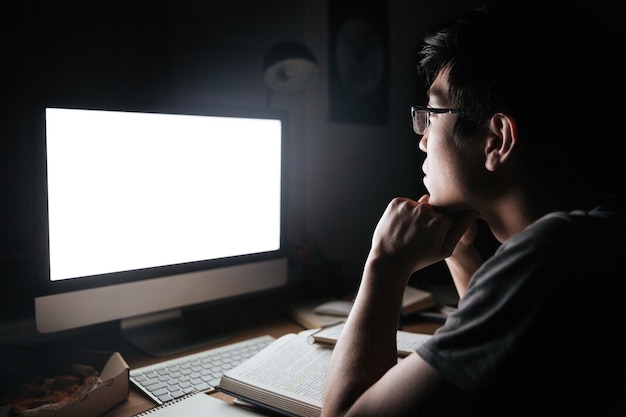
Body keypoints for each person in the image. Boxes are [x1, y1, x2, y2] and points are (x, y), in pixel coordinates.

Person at [321, 1, 626, 416]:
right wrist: (461, 252)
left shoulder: (552, 256)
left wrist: (386, 263)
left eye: (432, 114)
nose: (422, 140)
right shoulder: (595, 235)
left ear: (497, 140)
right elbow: (495, 346)